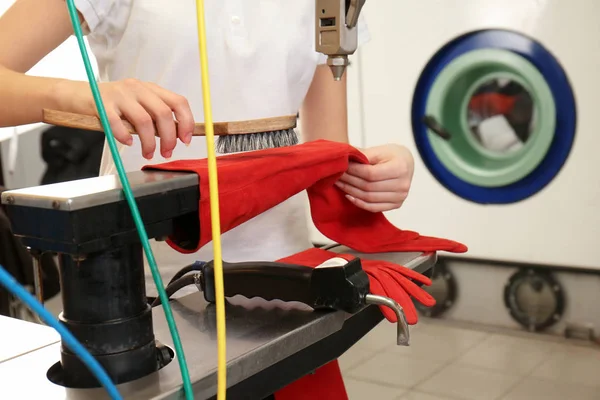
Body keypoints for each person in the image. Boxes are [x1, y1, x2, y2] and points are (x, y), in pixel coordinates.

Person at [0, 1, 414, 295]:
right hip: (146, 271)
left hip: (286, 275)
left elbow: (328, 153)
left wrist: (379, 169)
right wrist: (84, 95)